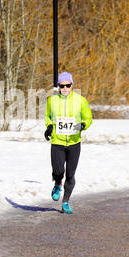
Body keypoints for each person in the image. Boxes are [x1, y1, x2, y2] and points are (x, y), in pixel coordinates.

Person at [44, 72, 92, 214]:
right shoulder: (51, 101)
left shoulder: (80, 100)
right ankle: (58, 183)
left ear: (72, 85)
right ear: (58, 86)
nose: (65, 88)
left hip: (74, 142)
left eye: (68, 85)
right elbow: (48, 116)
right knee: (58, 171)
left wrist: (83, 125)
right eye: (62, 85)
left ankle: (65, 202)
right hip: (57, 142)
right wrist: (49, 127)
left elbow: (88, 117)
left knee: (70, 175)